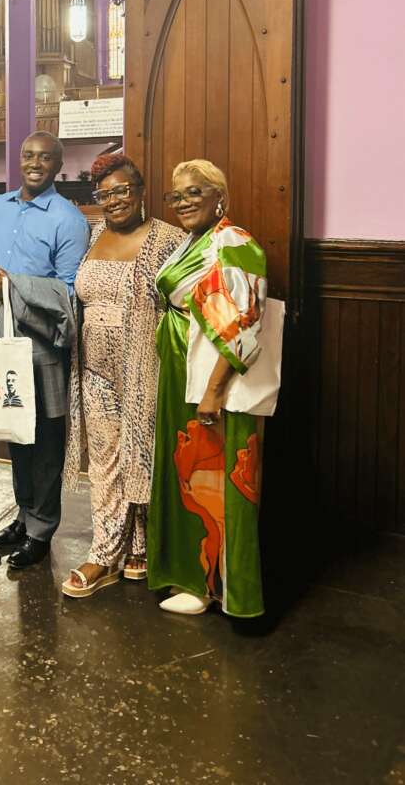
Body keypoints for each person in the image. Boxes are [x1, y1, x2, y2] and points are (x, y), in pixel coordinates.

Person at [148, 159, 272, 618]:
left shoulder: (233, 242)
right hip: (183, 369)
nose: (183, 202)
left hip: (214, 378)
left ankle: (223, 590)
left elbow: (244, 326)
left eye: (194, 192)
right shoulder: (192, 242)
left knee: (216, 478)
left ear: (219, 196)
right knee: (190, 476)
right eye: (176, 195)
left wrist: (214, 390)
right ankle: (194, 579)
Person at [62, 154, 185, 599]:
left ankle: (140, 545)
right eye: (104, 194)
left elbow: (185, 307)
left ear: (141, 190)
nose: (113, 200)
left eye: (122, 190)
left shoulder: (169, 240)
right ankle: (104, 551)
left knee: (142, 455)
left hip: (144, 366)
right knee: (105, 458)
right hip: (94, 368)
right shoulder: (95, 233)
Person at [0, 131, 89, 568]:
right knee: (16, 434)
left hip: (41, 343)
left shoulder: (67, 219)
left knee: (44, 442)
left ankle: (42, 529)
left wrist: (16, 287)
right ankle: (23, 516)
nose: (35, 163)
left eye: (44, 157)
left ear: (58, 165)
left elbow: (70, 293)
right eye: (28, 155)